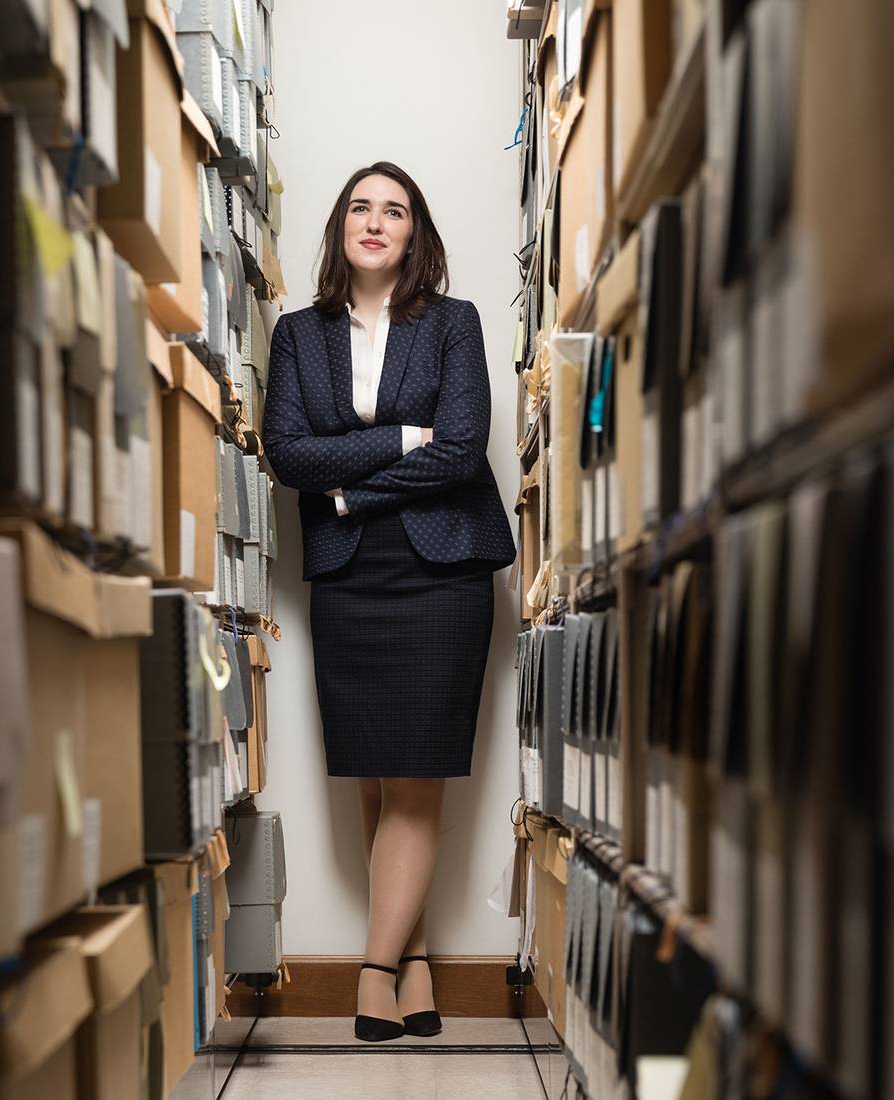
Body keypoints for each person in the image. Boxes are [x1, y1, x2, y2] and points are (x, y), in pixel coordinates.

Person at [262, 161, 517, 1042]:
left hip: (441, 571)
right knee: (378, 766)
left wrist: (352, 488)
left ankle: (371, 972)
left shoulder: (451, 323)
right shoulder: (298, 334)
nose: (375, 222)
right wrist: (399, 437)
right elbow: (288, 453)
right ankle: (412, 960)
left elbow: (460, 451)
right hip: (349, 577)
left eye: (394, 210)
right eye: (361, 208)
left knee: (414, 774)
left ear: (416, 234)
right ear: (341, 226)